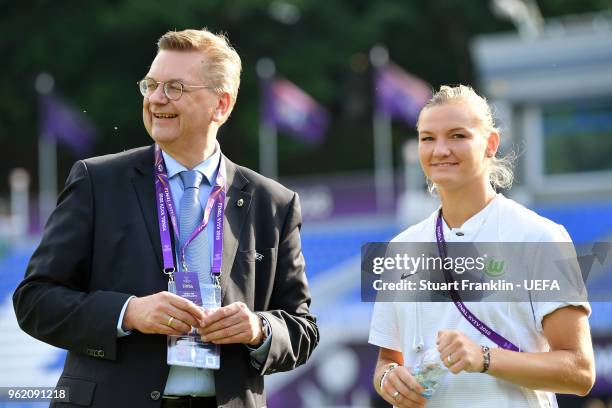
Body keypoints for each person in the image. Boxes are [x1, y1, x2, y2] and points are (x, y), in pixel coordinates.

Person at [13, 28, 319, 408]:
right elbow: (34, 300)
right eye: (151, 85)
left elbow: (302, 329)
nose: (156, 99)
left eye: (175, 88)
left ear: (220, 105)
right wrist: (128, 312)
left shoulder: (274, 203)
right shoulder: (97, 181)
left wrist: (260, 329)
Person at [369, 85, 595, 408]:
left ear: (491, 144)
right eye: (428, 138)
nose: (440, 150)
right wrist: (390, 379)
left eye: (458, 136)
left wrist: (484, 357)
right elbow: (387, 360)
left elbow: (580, 370)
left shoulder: (539, 237)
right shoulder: (401, 248)